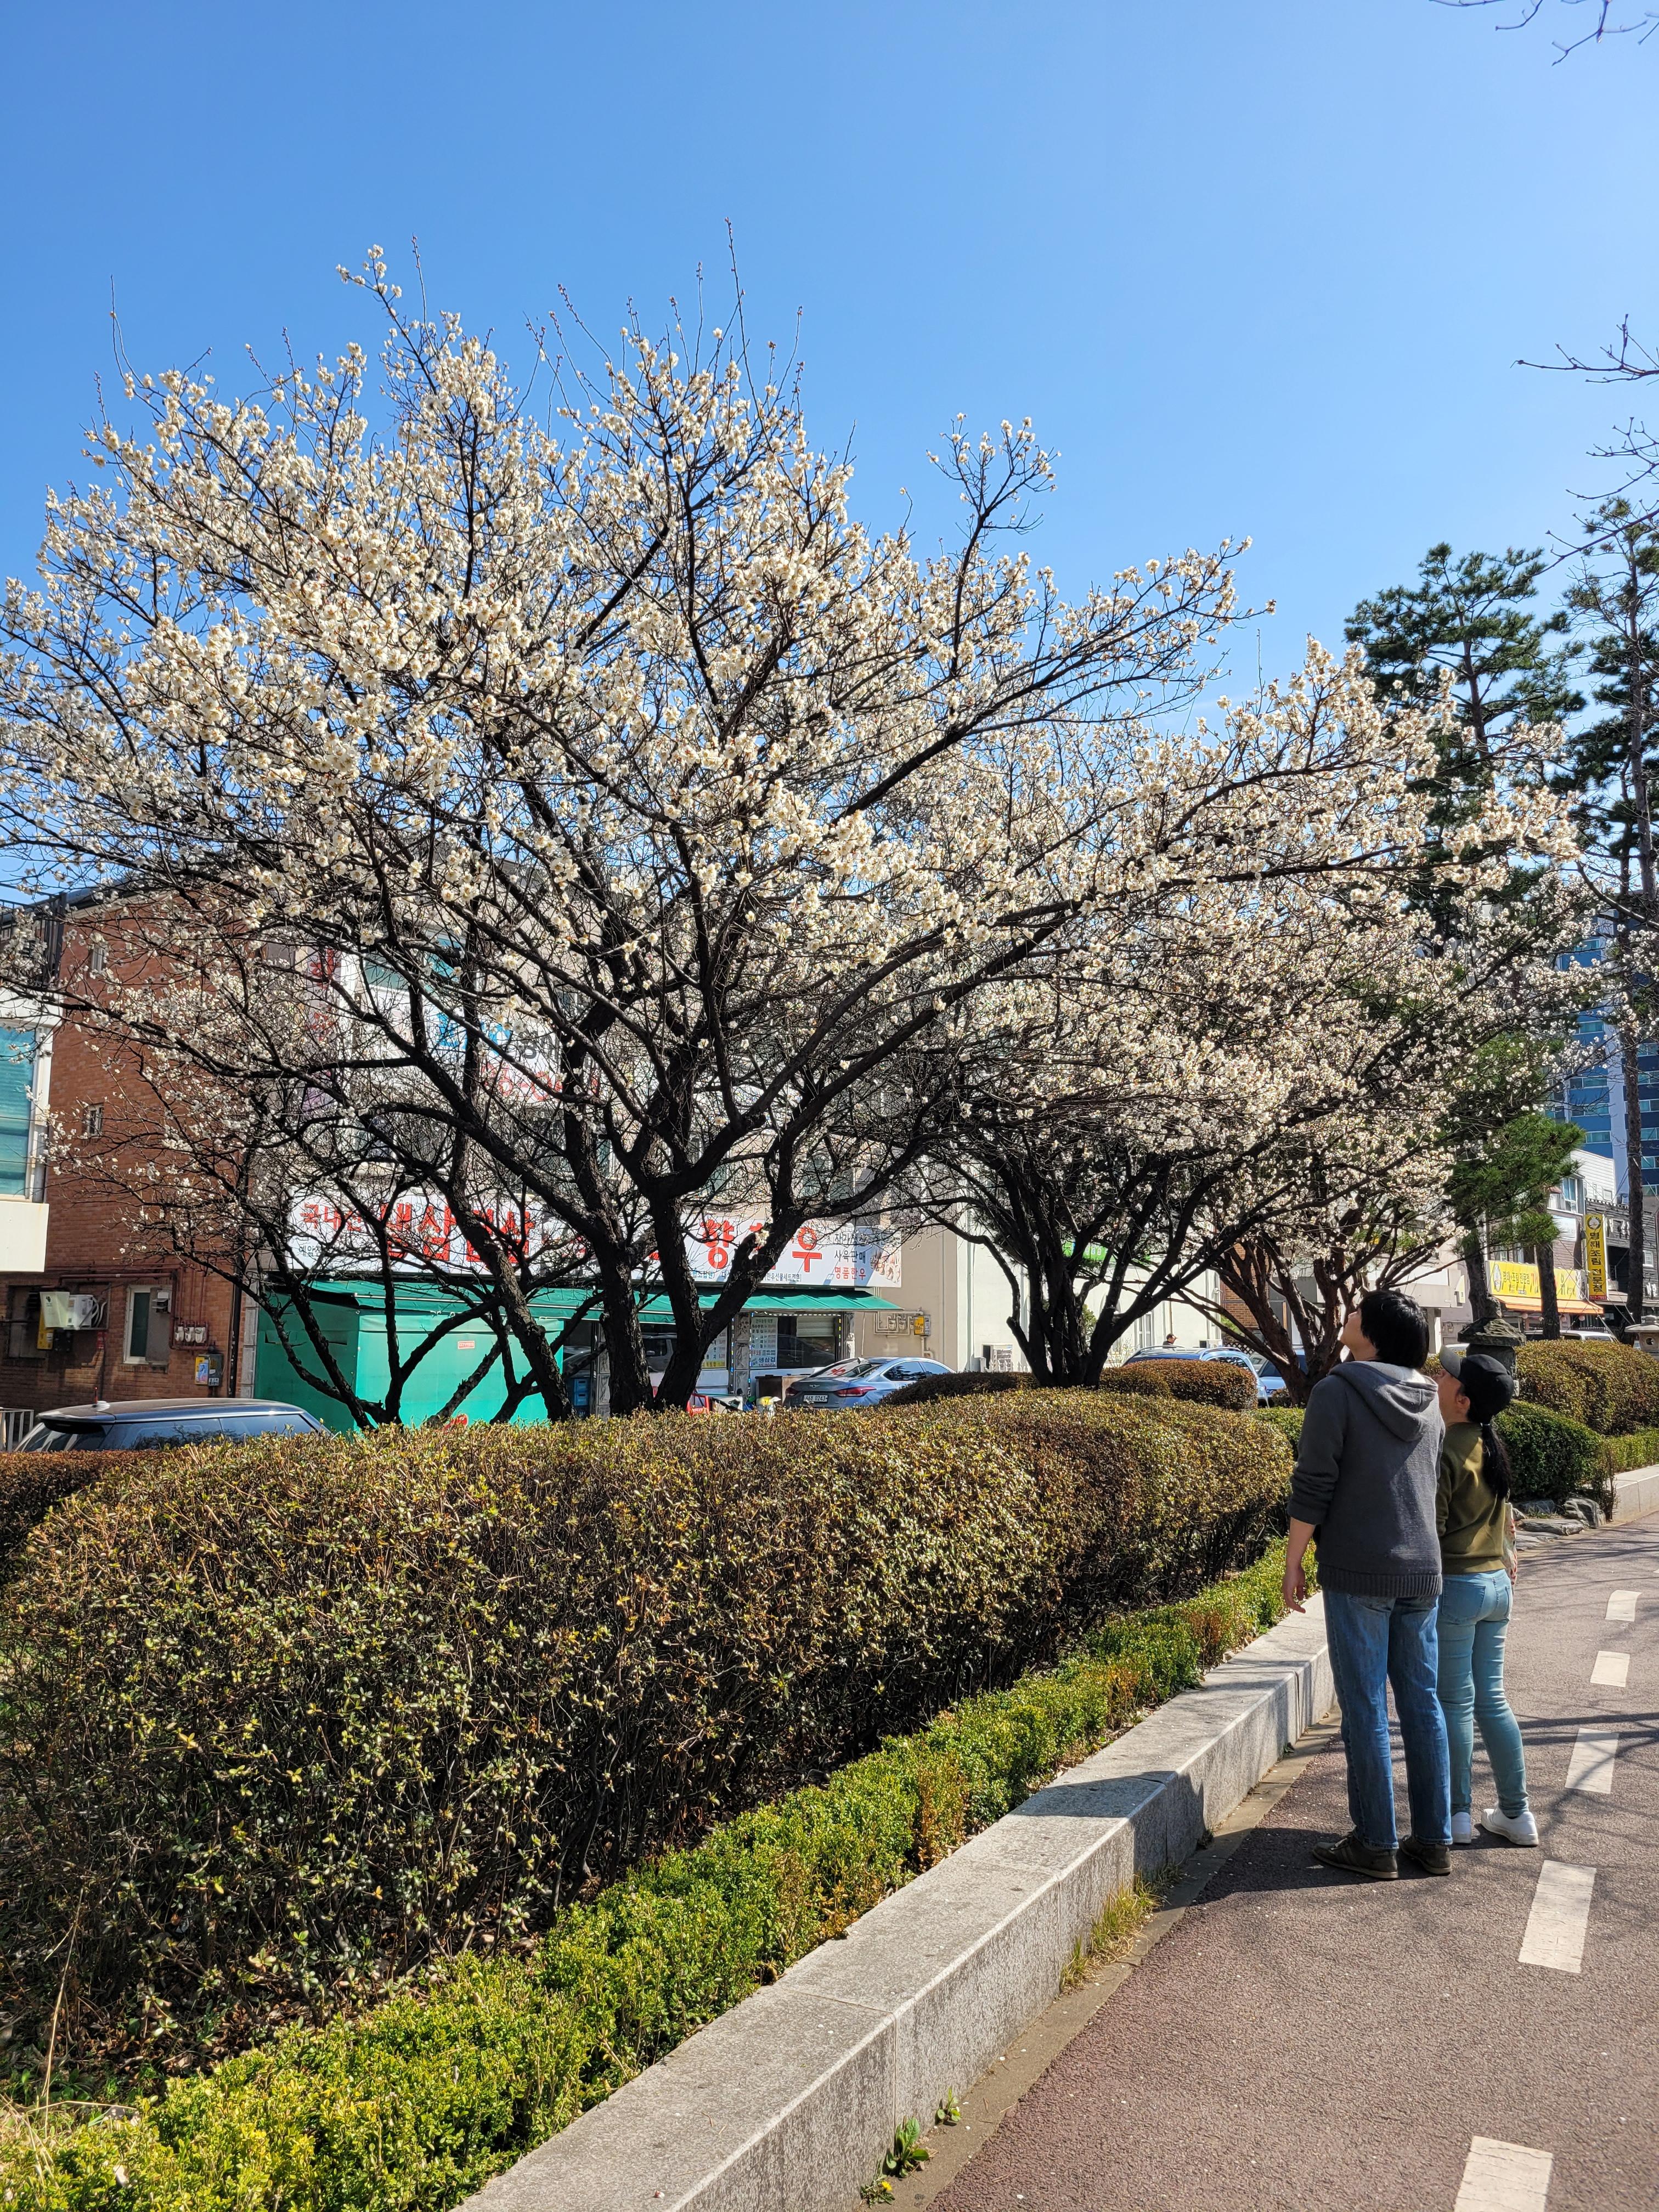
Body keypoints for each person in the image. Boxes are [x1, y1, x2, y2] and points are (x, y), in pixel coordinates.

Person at [1283, 1288, 1452, 1880]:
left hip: (1360, 1570)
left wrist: (1293, 1561)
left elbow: (1314, 1483)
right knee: (1423, 1703)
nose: (1348, 1316)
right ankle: (1433, 1841)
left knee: (1365, 1707)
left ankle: (1376, 1844)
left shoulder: (1337, 1391)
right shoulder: (1429, 1397)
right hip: (1423, 1569)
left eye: (1357, 1311)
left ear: (1374, 1334)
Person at [1435, 1348, 1537, 1848]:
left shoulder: (1445, 1449)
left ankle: (1457, 1815)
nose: (1438, 1377)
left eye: (1446, 1375)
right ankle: (1517, 1814)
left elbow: (1431, 1530)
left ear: (1462, 1399)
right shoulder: (1491, 1445)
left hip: (1458, 1587)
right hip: (1498, 1585)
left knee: (1456, 1703)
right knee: (1492, 1700)